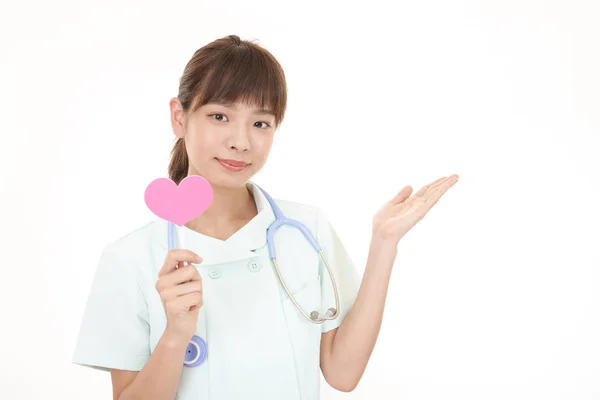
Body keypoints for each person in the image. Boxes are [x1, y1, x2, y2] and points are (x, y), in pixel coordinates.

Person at [72, 34, 459, 400]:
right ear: (179, 116)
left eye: (261, 123)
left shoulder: (307, 230)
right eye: (220, 116)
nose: (241, 141)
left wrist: (384, 243)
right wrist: (175, 334)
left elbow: (343, 374)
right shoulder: (129, 258)